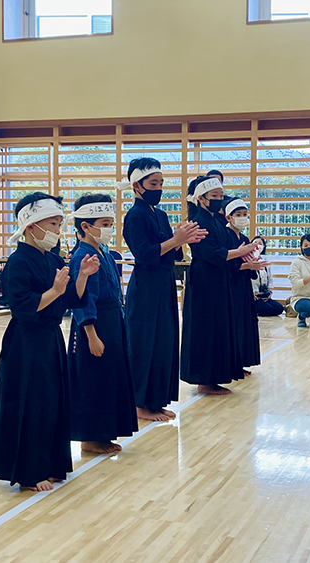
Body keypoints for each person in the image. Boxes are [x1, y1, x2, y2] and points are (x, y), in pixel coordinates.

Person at [0, 192, 98, 491]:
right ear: (31, 226)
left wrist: (82, 277)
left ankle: (50, 463)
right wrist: (54, 291)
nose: (58, 230)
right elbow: (21, 306)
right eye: (53, 224)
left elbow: (69, 299)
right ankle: (28, 472)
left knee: (51, 401)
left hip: (50, 337)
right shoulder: (18, 262)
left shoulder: (51, 258)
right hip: (25, 342)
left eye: (59, 224)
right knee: (30, 403)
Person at [122, 158, 206, 422]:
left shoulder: (160, 215)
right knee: (144, 343)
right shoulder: (134, 216)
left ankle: (155, 401)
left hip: (164, 282)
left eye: (161, 183)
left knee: (163, 342)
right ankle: (138, 404)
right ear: (137, 186)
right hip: (146, 287)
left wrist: (182, 239)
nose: (158, 188)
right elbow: (144, 254)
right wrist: (175, 240)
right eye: (153, 184)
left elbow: (171, 251)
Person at [67, 194, 139, 454]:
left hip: (111, 320)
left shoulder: (104, 253)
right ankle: (89, 437)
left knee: (109, 376)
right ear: (86, 226)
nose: (109, 229)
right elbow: (83, 299)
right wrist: (91, 333)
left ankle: (104, 433)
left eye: (111, 223)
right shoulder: (82, 256)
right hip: (93, 324)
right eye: (105, 224)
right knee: (93, 379)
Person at [180, 177, 259, 395]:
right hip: (204, 281)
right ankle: (205, 380)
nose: (218, 199)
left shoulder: (215, 221)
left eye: (220, 195)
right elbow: (211, 254)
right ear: (201, 198)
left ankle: (214, 378)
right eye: (214, 196)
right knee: (207, 328)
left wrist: (243, 255)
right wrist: (240, 252)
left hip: (218, 279)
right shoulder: (199, 221)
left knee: (219, 327)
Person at [224, 198, 266, 376]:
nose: (242, 218)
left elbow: (248, 262)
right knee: (235, 324)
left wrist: (254, 265)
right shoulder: (225, 236)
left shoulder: (244, 238)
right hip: (231, 285)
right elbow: (226, 264)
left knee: (244, 324)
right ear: (229, 217)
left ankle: (241, 362)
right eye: (238, 215)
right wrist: (246, 266)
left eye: (245, 214)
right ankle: (232, 364)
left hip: (244, 285)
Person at [250, 236, 284, 317]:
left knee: (279, 308)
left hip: (264, 295)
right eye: (255, 242)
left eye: (260, 243)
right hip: (254, 296)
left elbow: (270, 279)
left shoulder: (265, 262)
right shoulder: (248, 261)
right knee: (267, 309)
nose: (257, 245)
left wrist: (269, 291)